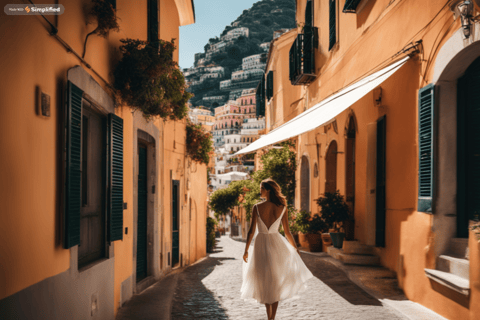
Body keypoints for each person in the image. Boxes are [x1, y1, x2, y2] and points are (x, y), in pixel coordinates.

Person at [240, 178, 314, 320]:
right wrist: (295, 248)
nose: (260, 190)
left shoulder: (256, 207)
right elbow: (287, 232)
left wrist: (246, 250)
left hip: (261, 244)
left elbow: (251, 231)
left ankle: (270, 317)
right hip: (276, 243)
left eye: (261, 188)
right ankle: (272, 317)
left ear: (267, 190)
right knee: (275, 280)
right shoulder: (282, 207)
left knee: (264, 280)